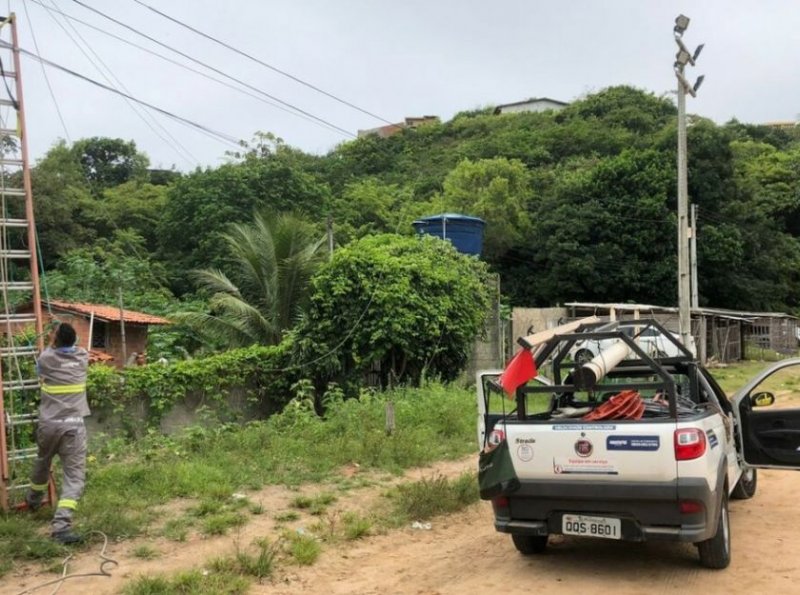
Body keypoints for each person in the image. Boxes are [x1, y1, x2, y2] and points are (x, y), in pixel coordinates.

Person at [25, 322, 90, 545]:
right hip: (72, 426)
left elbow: (48, 356)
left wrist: (52, 339)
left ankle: (33, 501)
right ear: (74, 341)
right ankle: (61, 527)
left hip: (49, 424)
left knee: (42, 462)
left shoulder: (46, 359)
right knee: (74, 477)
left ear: (54, 341)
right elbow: (74, 346)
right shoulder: (82, 358)